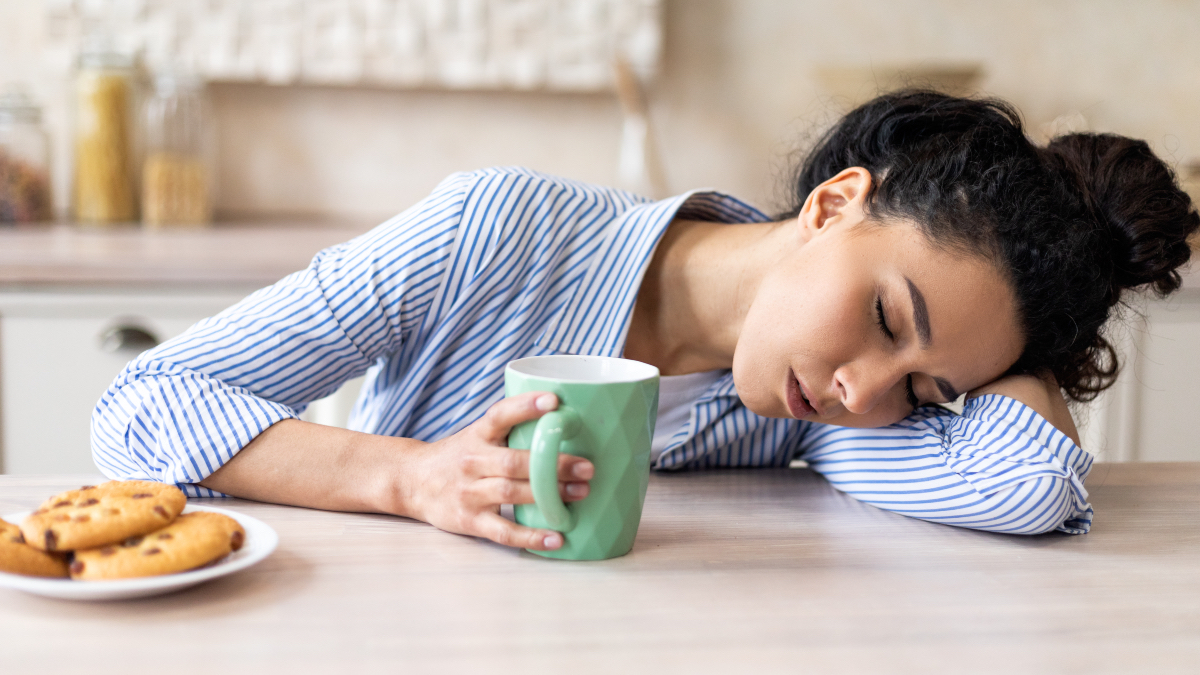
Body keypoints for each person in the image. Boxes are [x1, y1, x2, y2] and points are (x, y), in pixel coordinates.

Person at [92, 90, 1198, 551]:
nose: (870, 390)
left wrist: (1025, 348)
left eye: (926, 390)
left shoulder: (816, 413)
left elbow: (1030, 483)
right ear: (833, 203)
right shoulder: (499, 232)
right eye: (884, 315)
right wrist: (408, 478)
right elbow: (143, 407)